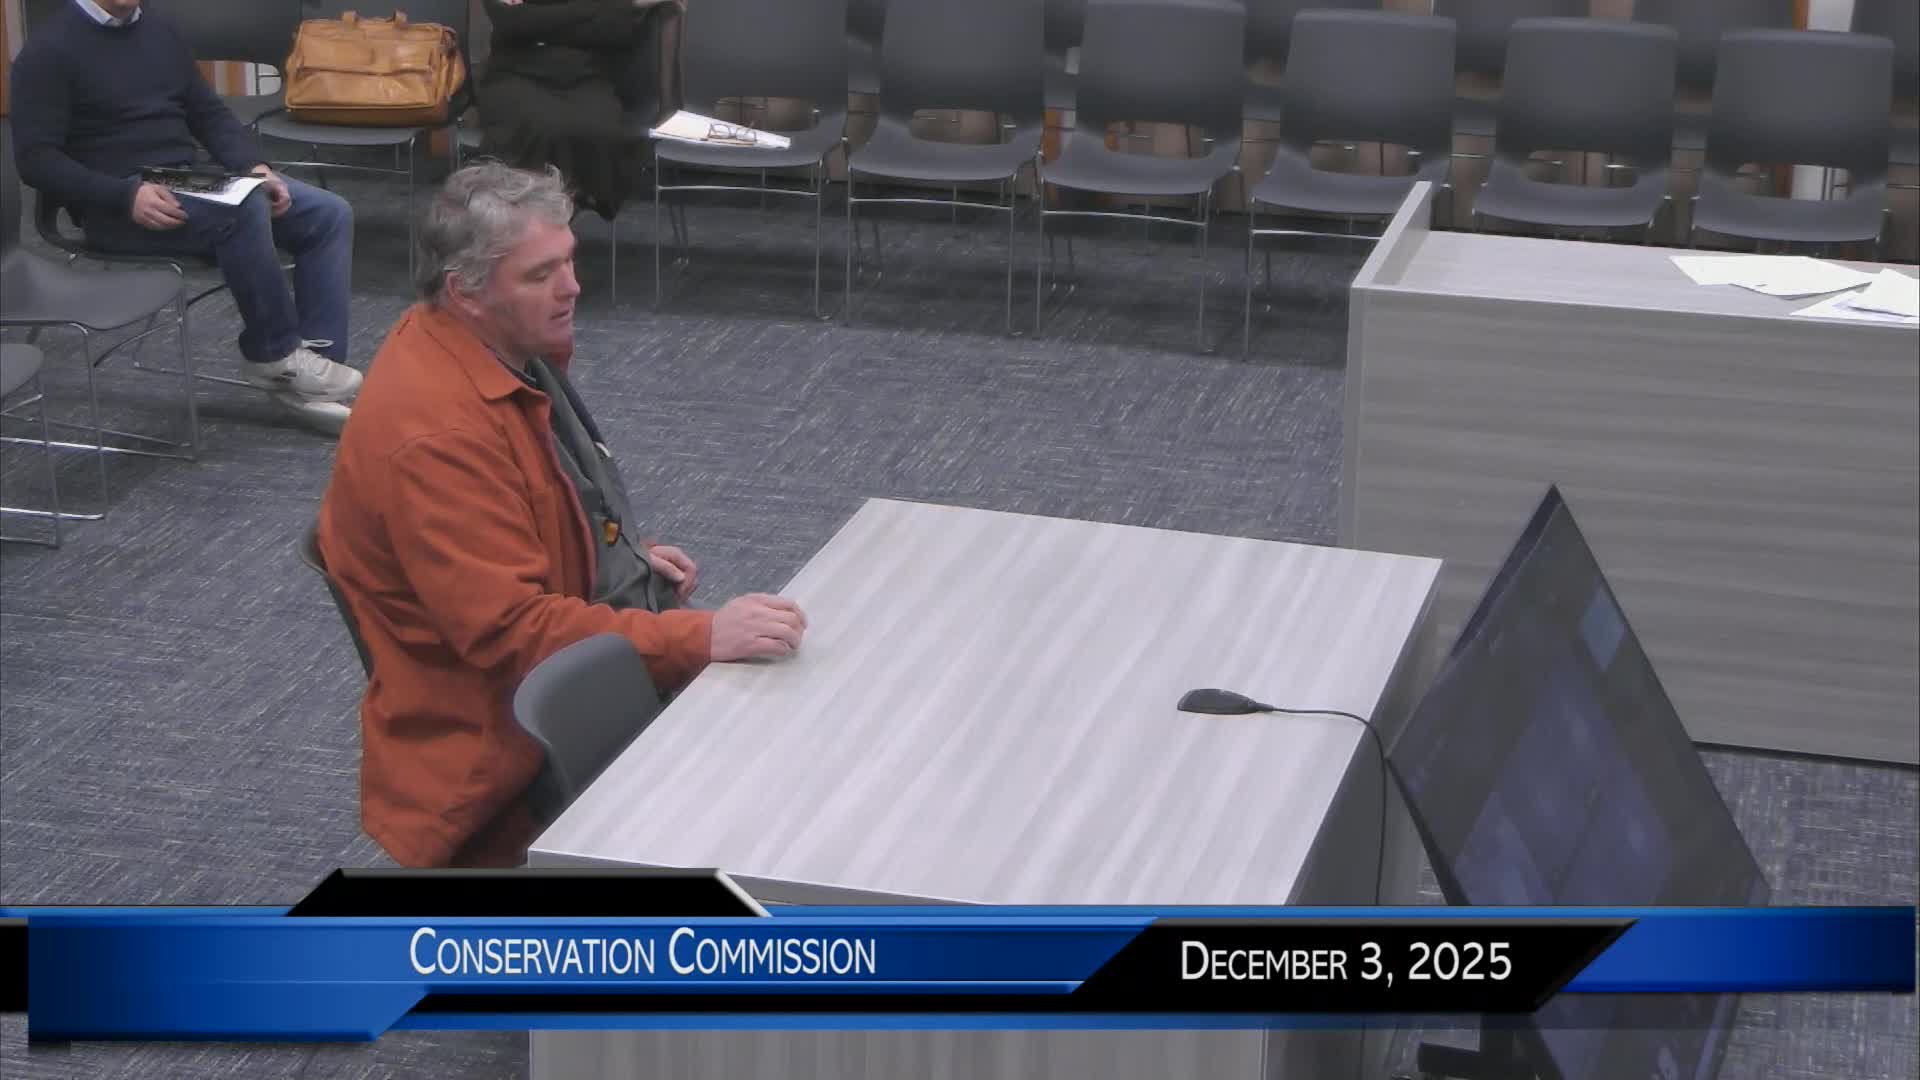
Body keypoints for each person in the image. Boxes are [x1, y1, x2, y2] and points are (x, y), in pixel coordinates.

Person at [318, 162, 808, 868]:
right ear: (466, 291)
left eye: (569, 260)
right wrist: (697, 637)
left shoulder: (494, 346)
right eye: (541, 274)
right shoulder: (436, 436)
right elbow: (514, 635)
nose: (572, 287)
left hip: (550, 690)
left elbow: (528, 506)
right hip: (512, 758)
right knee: (782, 804)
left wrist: (618, 555)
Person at [9, 0, 361, 435]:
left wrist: (254, 168)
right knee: (243, 207)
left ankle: (317, 373)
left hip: (185, 179)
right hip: (117, 205)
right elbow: (36, 162)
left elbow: (207, 114)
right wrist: (123, 195)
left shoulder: (160, 31)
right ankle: (275, 354)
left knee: (328, 214)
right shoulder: (48, 50)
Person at [476, 0, 682, 220]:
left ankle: (562, 215)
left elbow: (616, 32)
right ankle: (529, 219)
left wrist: (538, 17)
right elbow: (512, 22)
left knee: (598, 128)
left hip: (585, 77)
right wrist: (606, 8)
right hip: (515, 75)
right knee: (544, 126)